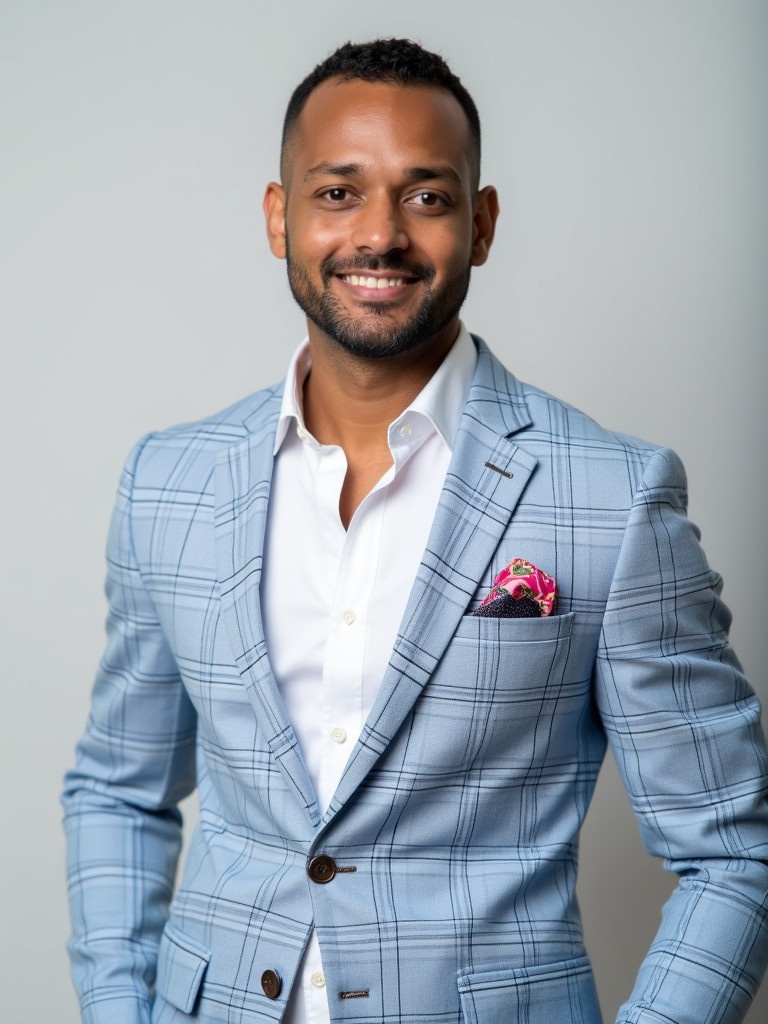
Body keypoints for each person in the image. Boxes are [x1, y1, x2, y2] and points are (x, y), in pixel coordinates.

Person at [63, 38, 768, 1024]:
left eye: (426, 197)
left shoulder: (614, 497)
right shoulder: (168, 483)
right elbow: (118, 791)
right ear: (280, 216)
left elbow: (732, 852)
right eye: (338, 192)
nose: (380, 235)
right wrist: (116, 1008)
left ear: (480, 225)